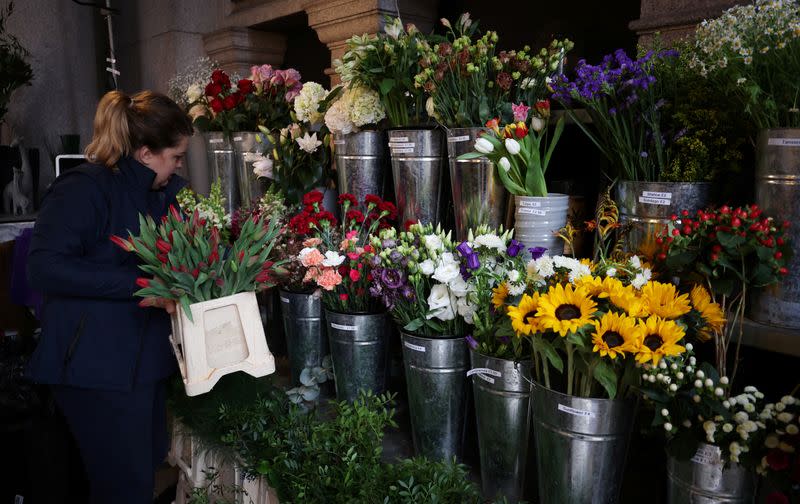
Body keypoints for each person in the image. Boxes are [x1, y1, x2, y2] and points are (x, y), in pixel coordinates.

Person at [26, 90, 193, 503]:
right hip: (95, 368)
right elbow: (44, 267)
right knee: (124, 489)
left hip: (144, 364)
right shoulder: (84, 189)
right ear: (144, 153)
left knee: (142, 474)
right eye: (175, 156)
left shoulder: (165, 191)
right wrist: (141, 286)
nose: (179, 166)